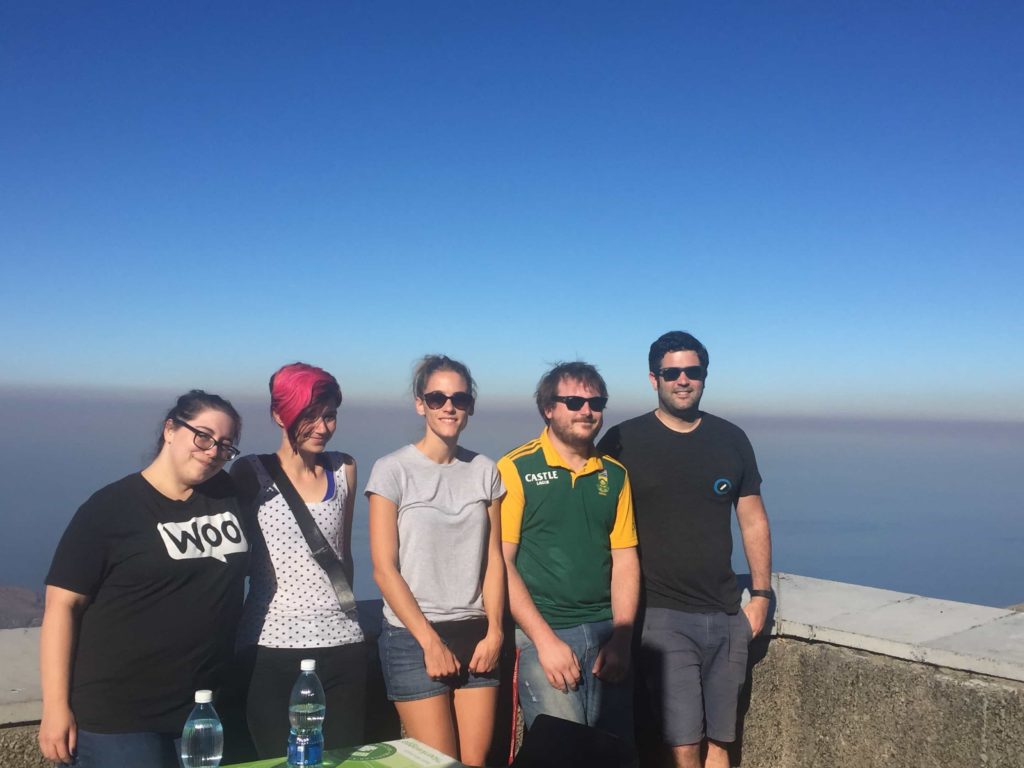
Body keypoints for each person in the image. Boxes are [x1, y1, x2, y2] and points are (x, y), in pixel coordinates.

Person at [39, 390, 248, 768]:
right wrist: (55, 708)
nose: (213, 451)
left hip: (204, 707)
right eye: (203, 436)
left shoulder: (227, 496)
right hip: (121, 715)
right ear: (170, 429)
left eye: (225, 445)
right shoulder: (111, 508)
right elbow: (62, 605)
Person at [598, 331, 773, 768]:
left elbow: (752, 519)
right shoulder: (623, 440)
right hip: (661, 614)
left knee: (722, 740)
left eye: (691, 372)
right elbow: (595, 518)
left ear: (704, 377)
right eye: (671, 372)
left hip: (726, 612)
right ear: (653, 379)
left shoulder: (731, 439)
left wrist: (762, 597)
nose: (682, 380)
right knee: (682, 743)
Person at [498, 362, 640, 766]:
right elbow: (502, 562)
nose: (586, 410)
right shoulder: (516, 468)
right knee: (559, 756)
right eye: (574, 401)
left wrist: (622, 639)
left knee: (613, 755)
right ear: (548, 408)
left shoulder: (614, 475)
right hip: (545, 636)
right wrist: (543, 641)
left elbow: (625, 559)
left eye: (596, 402)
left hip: (606, 636)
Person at [366, 355, 505, 768]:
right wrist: (429, 641)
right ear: (420, 403)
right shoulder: (392, 470)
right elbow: (383, 568)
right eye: (437, 397)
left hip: (477, 633)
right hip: (413, 637)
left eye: (459, 398)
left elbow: (493, 560)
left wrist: (496, 631)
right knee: (440, 765)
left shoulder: (484, 470)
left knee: (475, 763)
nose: (449, 406)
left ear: (470, 406)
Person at [232, 362, 367, 757]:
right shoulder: (250, 473)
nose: (322, 427)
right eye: (309, 416)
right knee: (275, 758)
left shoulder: (344, 468)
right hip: (270, 644)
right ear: (279, 414)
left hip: (343, 643)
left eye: (329, 416)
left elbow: (343, 552)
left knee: (341, 758)